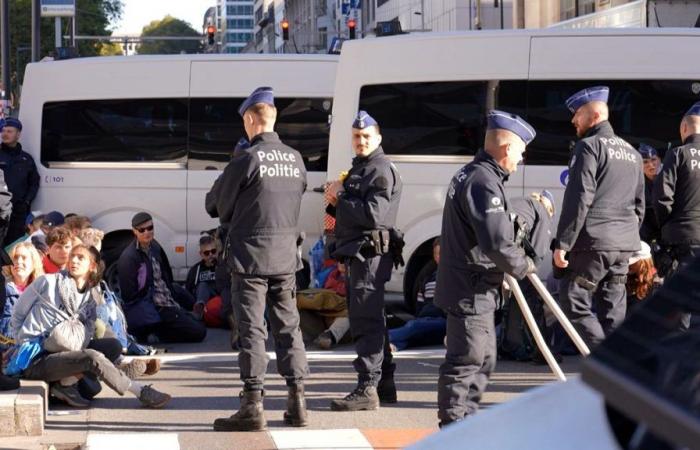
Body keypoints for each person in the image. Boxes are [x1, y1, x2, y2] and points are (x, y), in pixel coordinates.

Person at [209, 87, 309, 432]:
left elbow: (216, 205)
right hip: (286, 259)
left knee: (253, 331)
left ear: (251, 119)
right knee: (289, 329)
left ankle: (252, 404)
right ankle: (298, 403)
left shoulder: (247, 159)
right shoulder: (296, 159)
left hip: (250, 260)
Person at [436, 110, 538, 427]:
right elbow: (495, 242)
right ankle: (453, 432)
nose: (520, 160)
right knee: (465, 363)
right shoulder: (483, 181)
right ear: (507, 148)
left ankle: (465, 424)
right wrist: (526, 266)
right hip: (471, 289)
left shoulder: (475, 174)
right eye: (521, 152)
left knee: (484, 361)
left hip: (473, 287)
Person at [9, 245, 171, 408]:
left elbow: (86, 336)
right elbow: (17, 314)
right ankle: (140, 390)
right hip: (35, 359)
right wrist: (18, 345)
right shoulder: (48, 282)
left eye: (81, 257)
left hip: (64, 351)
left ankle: (66, 383)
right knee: (92, 357)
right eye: (72, 256)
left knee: (112, 345)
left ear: (92, 266)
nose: (74, 260)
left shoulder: (90, 298)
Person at [552, 86, 644, 349]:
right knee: (613, 310)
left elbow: (579, 198)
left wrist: (563, 244)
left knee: (573, 299)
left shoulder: (588, 147)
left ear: (593, 115)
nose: (573, 121)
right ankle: (619, 372)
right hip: (623, 244)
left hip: (593, 242)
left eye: (577, 115)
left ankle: (606, 363)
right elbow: (640, 205)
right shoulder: (633, 153)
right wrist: (625, 236)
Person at [325, 110, 403, 411]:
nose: (361, 141)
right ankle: (384, 384)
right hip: (361, 254)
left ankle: (367, 386)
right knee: (373, 320)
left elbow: (374, 215)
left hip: (369, 256)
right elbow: (352, 216)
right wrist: (337, 202)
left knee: (366, 321)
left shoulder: (379, 169)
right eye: (357, 137)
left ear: (378, 138)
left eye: (366, 136)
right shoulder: (364, 167)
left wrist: (340, 197)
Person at [117, 212, 206, 344]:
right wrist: (151, 310)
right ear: (134, 232)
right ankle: (158, 331)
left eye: (150, 228)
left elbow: (165, 276)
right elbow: (129, 295)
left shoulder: (155, 247)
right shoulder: (129, 258)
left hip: (167, 296)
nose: (147, 232)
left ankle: (179, 317)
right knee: (200, 332)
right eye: (142, 230)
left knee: (194, 312)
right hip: (156, 306)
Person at [205, 137, 251, 350]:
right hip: (255, 244)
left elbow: (210, 206)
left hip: (232, 243)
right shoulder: (260, 170)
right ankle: (249, 333)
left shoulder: (227, 177)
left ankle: (238, 330)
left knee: (230, 290)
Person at [653, 102, 700, 278]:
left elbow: (661, 198)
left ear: (685, 127)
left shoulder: (678, 154)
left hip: (683, 239)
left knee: (683, 298)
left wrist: (667, 226)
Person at [389, 238, 445, 352]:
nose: (438, 257)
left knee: (414, 326)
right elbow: (419, 306)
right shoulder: (427, 279)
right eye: (436, 254)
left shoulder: (455, 277)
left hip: (444, 321)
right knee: (418, 331)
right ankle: (395, 345)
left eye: (441, 253)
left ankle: (381, 337)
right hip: (425, 320)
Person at [0, 118, 40, 245]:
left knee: (14, 246)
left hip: (18, 213)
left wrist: (26, 201)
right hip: (0, 211)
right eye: (3, 131)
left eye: (9, 131)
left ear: (18, 134)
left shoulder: (26, 159)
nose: (5, 134)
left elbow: (34, 182)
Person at [296, 261, 350, 350]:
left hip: (343, 322)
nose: (342, 263)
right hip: (324, 317)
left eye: (346, 260)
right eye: (340, 260)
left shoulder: (360, 277)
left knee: (352, 311)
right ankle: (298, 338)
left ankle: (329, 336)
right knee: (300, 305)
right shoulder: (328, 274)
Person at [0, 242, 44, 348]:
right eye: (15, 258)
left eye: (24, 258)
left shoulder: (43, 293)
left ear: (34, 264)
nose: (18, 262)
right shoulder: (3, 289)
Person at [185, 235, 219, 321]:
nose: (211, 255)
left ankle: (198, 312)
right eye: (207, 253)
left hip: (217, 301)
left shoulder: (223, 267)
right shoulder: (195, 270)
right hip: (199, 301)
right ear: (201, 254)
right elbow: (188, 290)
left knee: (204, 285)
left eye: (213, 251)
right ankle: (198, 310)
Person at [638, 143, 662, 244]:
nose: (651, 165)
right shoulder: (637, 182)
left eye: (653, 160)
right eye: (645, 162)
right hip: (646, 230)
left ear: (659, 160)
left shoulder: (669, 177)